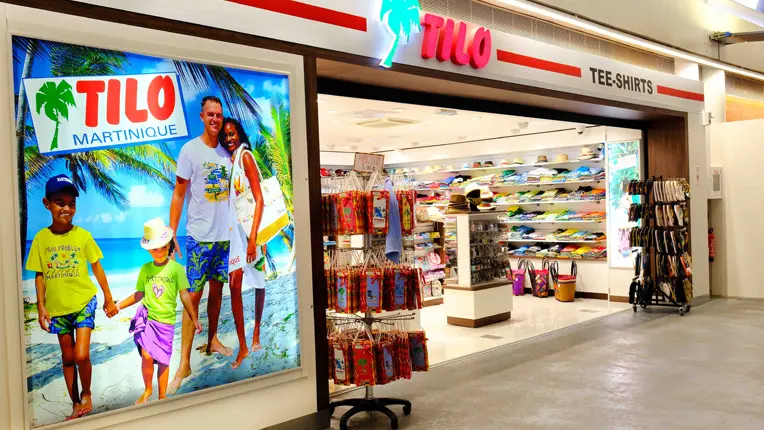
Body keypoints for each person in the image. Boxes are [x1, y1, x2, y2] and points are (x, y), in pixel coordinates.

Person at [25, 174, 118, 420]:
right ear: (47, 204)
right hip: (57, 308)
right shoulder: (41, 239)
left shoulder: (83, 236)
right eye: (60, 203)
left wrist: (108, 298)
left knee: (81, 355)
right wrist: (41, 307)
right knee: (67, 359)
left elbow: (97, 267)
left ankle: (87, 393)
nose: (67, 208)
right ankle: (75, 404)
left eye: (71, 203)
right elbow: (39, 275)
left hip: (84, 302)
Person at [168, 95, 233, 394]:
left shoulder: (227, 152)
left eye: (219, 114)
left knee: (217, 292)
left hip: (224, 238)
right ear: (202, 116)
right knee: (191, 299)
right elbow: (179, 194)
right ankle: (184, 362)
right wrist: (172, 232)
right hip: (198, 238)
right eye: (210, 114)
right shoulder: (190, 150)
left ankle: (213, 340)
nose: (215, 119)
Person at [113, 218, 202, 404]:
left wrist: (194, 319)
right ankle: (148, 389)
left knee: (163, 360)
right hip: (149, 319)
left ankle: (162, 396)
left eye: (163, 247)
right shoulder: (146, 269)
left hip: (167, 322)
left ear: (169, 245)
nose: (160, 252)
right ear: (148, 250)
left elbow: (185, 296)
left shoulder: (176, 269)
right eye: (155, 249)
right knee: (146, 355)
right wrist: (119, 305)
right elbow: (138, 294)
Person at [220, 117, 268, 368]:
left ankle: (257, 331)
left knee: (259, 282)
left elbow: (259, 200)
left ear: (239, 133)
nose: (229, 138)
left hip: (251, 233)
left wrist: (254, 239)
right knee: (234, 285)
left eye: (232, 133)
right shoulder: (229, 162)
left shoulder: (245, 157)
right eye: (225, 135)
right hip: (235, 234)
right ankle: (243, 346)